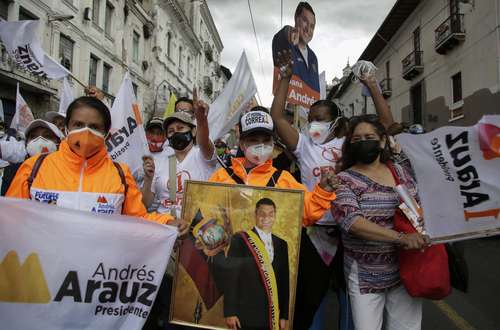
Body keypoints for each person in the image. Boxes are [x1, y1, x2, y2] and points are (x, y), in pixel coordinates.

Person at [6, 96, 185, 230]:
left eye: (94, 127)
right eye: (78, 124)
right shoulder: (34, 167)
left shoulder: (120, 173)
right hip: (40, 272)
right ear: (66, 128)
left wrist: (167, 222)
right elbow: (10, 219)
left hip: (97, 274)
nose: (86, 132)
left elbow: (137, 219)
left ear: (106, 133)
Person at [271, 50, 351, 329]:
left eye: (320, 118)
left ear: (335, 123)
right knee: (310, 297)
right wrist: (285, 78)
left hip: (346, 231)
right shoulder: (304, 147)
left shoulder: (346, 146)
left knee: (347, 297)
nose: (313, 123)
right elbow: (278, 117)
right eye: (310, 118)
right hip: (313, 232)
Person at [332, 115, 428, 330]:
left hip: (406, 268)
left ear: (382, 141)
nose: (363, 142)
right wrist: (401, 238)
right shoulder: (344, 180)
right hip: (365, 275)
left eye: (369, 136)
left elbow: (421, 205)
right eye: (356, 139)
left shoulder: (401, 172)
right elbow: (353, 222)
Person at [209, 109, 338, 227]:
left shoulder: (283, 179)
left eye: (266, 140)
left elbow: (306, 214)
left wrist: (323, 192)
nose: (261, 145)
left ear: (272, 143)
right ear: (242, 145)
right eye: (254, 140)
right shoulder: (222, 176)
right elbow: (204, 211)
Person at [142, 94, 216, 217]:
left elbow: (203, 140)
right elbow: (145, 204)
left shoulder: (202, 156)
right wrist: (148, 179)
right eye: (171, 131)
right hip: (164, 224)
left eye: (180, 128)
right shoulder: (160, 162)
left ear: (193, 131)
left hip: (194, 227)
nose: (175, 133)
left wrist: (201, 119)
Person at [223, 198, 289, 330]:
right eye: (262, 214)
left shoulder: (282, 244)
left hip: (271, 314)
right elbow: (231, 278)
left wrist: (284, 316)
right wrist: (230, 312)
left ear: (275, 216)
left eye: (271, 214)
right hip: (245, 313)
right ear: (255, 215)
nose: (266, 218)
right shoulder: (240, 239)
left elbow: (283, 282)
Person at [1, 119, 64, 195]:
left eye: (47, 136)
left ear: (59, 142)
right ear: (27, 143)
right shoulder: (18, 172)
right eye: (33, 136)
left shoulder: (66, 171)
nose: (40, 141)